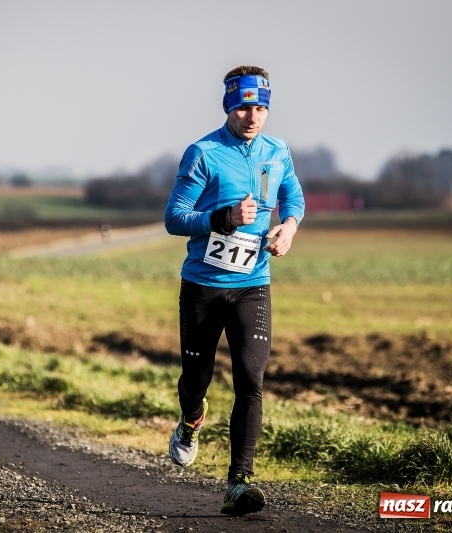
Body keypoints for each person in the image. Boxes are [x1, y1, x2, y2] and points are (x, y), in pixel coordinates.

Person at [164, 65, 305, 516]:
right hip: (203, 287)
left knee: (251, 379)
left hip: (252, 286)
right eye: (245, 106)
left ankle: (238, 484)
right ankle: (190, 420)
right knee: (196, 381)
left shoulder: (277, 151)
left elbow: (294, 199)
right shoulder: (203, 153)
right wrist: (221, 218)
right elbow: (174, 216)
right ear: (229, 106)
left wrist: (288, 227)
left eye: (261, 107)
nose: (253, 116)